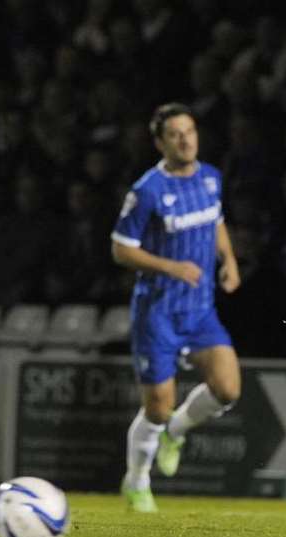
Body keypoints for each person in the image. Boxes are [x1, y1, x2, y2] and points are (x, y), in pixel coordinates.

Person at [110, 102, 241, 512]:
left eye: (190, 131)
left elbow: (215, 221)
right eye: (175, 134)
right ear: (160, 142)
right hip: (158, 313)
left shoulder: (210, 178)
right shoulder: (146, 190)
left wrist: (230, 260)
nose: (185, 139)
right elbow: (120, 249)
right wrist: (170, 266)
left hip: (200, 310)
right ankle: (136, 481)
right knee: (157, 407)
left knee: (227, 389)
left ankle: (177, 432)